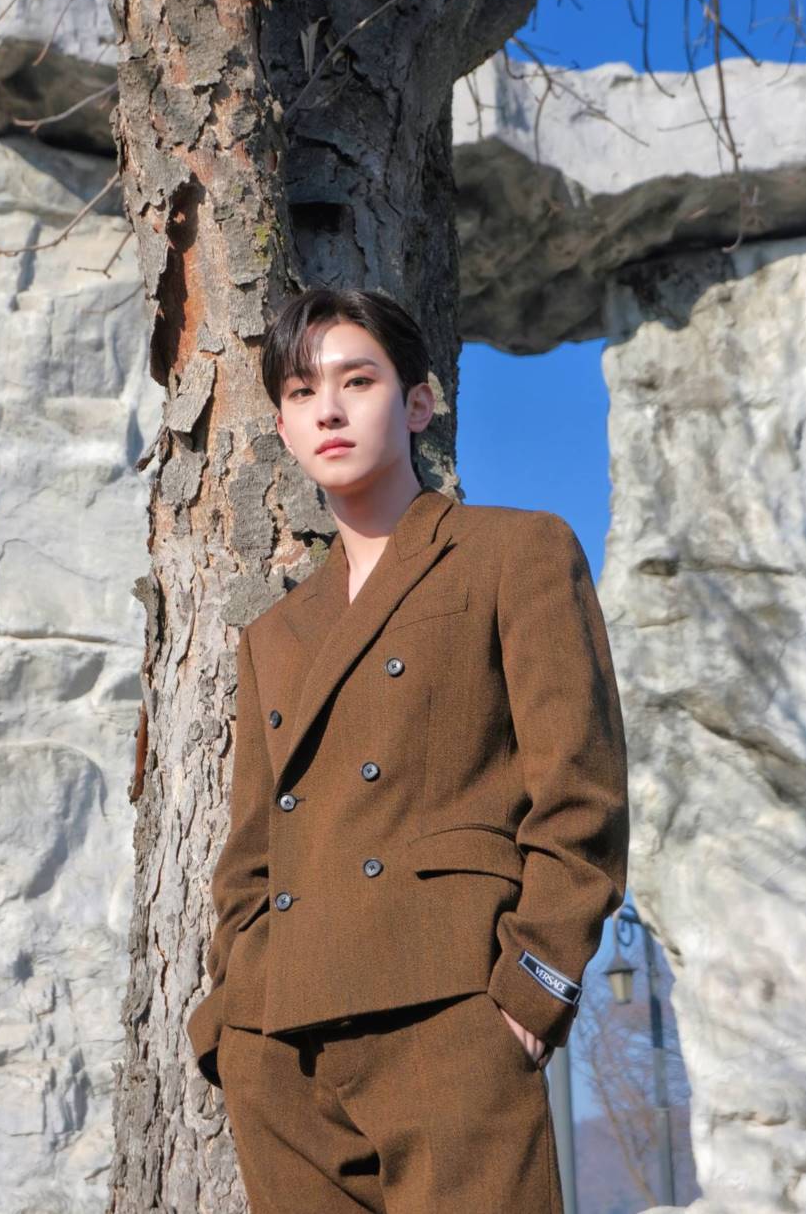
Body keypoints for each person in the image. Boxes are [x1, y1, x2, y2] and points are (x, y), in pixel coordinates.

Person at [186, 285, 629, 1212]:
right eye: (303, 392)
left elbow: (580, 790)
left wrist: (532, 987)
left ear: (419, 402)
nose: (330, 410)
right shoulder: (275, 636)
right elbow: (252, 850)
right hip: (281, 1046)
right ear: (283, 426)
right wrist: (231, 1021)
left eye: (358, 381)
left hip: (450, 1014)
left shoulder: (514, 552)